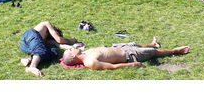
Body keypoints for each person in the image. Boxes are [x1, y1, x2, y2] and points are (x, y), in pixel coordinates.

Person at [62, 38, 190, 70]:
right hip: (128, 56)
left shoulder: (85, 52)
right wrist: (131, 65)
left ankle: (152, 43)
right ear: (73, 57)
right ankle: (175, 51)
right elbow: (112, 67)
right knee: (153, 53)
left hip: (119, 47)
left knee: (136, 44)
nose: (72, 48)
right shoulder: (90, 62)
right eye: (70, 50)